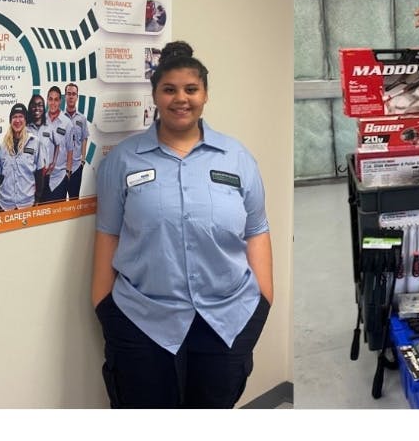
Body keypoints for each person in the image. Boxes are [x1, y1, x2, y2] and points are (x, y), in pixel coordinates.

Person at [91, 41, 272, 408]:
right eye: (169, 89)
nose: (181, 99)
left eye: (191, 89)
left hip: (226, 320)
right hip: (142, 320)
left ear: (205, 94)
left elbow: (256, 231)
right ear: (155, 96)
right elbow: (108, 235)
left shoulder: (237, 158)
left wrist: (264, 301)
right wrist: (104, 308)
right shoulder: (123, 161)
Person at [0, 103, 43, 211]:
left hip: (27, 204)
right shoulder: (3, 146)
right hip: (5, 205)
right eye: (14, 117)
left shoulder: (35, 142)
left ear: (25, 120)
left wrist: (37, 198)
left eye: (21, 116)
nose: (17, 120)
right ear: (10, 120)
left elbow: (39, 173)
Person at [43, 85, 71, 201]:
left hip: (59, 178)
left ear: (60, 101)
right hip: (42, 178)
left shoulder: (67, 123)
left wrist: (67, 174)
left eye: (56, 99)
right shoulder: (41, 121)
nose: (53, 103)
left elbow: (70, 149)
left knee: (58, 211)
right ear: (47, 100)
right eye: (50, 99)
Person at [64, 82, 89, 199]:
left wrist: (82, 160)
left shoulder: (82, 119)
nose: (71, 96)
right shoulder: (60, 118)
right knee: (60, 201)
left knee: (74, 200)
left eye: (73, 94)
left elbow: (84, 138)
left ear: (77, 97)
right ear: (65, 96)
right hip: (61, 168)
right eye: (68, 93)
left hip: (76, 167)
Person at [26, 93, 52, 203]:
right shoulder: (25, 129)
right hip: (30, 177)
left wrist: (53, 163)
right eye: (34, 105)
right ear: (30, 107)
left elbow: (58, 145)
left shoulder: (49, 127)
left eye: (40, 105)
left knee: (45, 207)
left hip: (46, 176)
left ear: (44, 107)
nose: (37, 108)